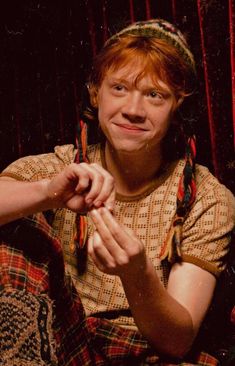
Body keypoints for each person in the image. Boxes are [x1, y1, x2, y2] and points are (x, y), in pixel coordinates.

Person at [0, 19, 234, 366]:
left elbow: (177, 342)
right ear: (96, 93)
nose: (133, 110)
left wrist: (137, 274)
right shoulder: (62, 166)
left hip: (142, 351)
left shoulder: (206, 198)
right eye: (120, 88)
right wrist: (49, 193)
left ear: (178, 105)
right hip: (58, 342)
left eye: (155, 95)